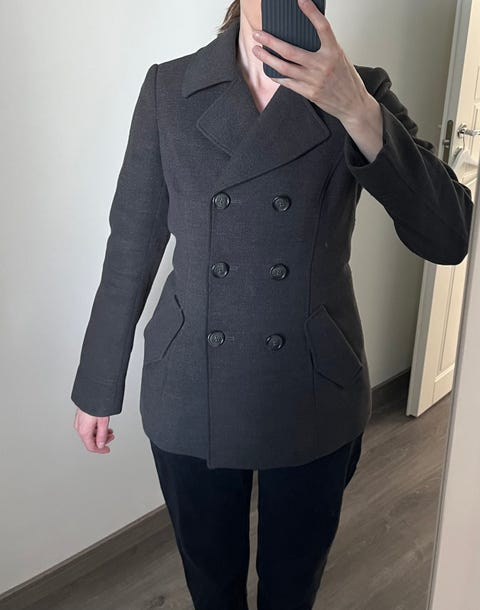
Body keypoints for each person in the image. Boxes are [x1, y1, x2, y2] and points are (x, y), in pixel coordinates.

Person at [70, 0, 474, 608]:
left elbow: (449, 236)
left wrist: (356, 108)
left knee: (292, 586)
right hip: (190, 386)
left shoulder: (362, 91)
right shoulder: (168, 90)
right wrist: (98, 384)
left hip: (312, 385)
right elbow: (131, 244)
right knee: (212, 586)